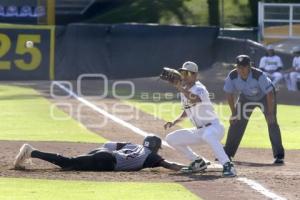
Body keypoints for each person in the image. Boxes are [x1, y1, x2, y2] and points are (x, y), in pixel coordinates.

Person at [164, 61, 236, 177]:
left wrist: (180, 88)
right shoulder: (184, 91)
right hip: (199, 131)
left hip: (214, 128)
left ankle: (228, 165)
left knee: (208, 135)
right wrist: (174, 121)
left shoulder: (200, 88)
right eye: (182, 72)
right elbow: (187, 110)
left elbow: (195, 99)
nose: (184, 75)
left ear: (195, 75)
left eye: (187, 73)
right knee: (171, 138)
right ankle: (197, 162)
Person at [223, 55, 285, 164]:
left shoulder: (259, 75)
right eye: (239, 67)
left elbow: (270, 94)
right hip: (246, 97)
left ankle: (279, 155)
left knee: (272, 123)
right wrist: (234, 113)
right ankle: (227, 154)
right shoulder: (232, 76)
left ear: (249, 66)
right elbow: (229, 94)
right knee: (236, 122)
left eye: (244, 67)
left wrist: (270, 113)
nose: (241, 70)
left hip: (265, 97)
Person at [14, 135, 186, 172]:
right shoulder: (153, 156)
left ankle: (33, 152)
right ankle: (32, 152)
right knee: (68, 163)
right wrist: (187, 168)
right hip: (107, 161)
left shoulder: (132, 144)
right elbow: (169, 165)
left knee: (73, 163)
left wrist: (91, 156)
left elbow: (107, 144)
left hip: (103, 153)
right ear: (157, 147)